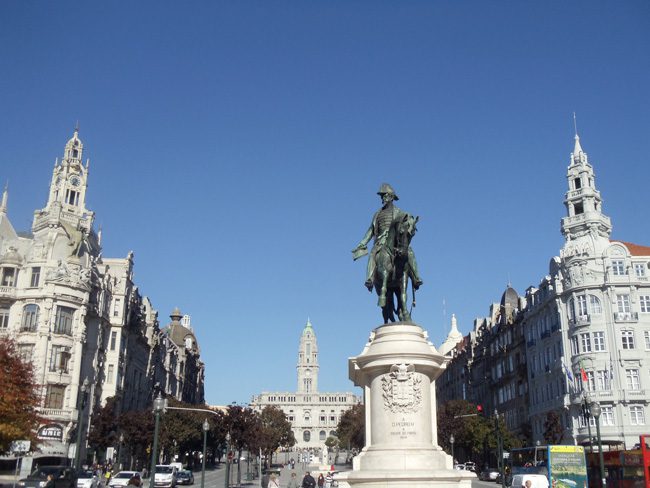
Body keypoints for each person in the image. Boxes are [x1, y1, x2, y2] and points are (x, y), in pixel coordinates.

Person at [352, 183, 422, 291]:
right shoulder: (377, 214)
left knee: (409, 252)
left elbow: (408, 223)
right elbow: (371, 230)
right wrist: (362, 243)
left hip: (396, 242)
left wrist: (411, 222)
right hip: (380, 242)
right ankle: (370, 278)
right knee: (372, 254)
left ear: (391, 196)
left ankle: (416, 277)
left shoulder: (400, 213)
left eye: (384, 195)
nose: (382, 198)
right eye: (382, 196)